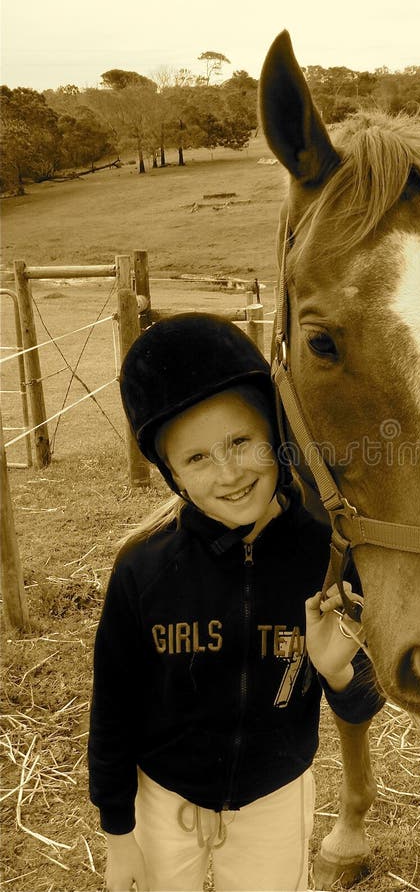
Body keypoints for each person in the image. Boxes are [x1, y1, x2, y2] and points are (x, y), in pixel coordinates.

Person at [88, 313, 383, 892]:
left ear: (274, 434)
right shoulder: (142, 568)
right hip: (163, 798)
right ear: (171, 473)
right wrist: (118, 834)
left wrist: (339, 671)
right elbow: (113, 707)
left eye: (240, 442)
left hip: (274, 798)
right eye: (196, 459)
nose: (227, 474)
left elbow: (359, 708)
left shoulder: (325, 558)